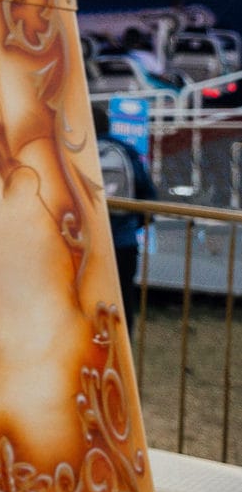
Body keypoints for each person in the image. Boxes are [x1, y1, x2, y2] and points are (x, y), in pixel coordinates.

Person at [94, 103, 153, 333]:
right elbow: (148, 194)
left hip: (85, 245)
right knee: (123, 301)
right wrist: (132, 225)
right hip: (123, 242)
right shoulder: (125, 151)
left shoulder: (75, 150)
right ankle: (123, 355)